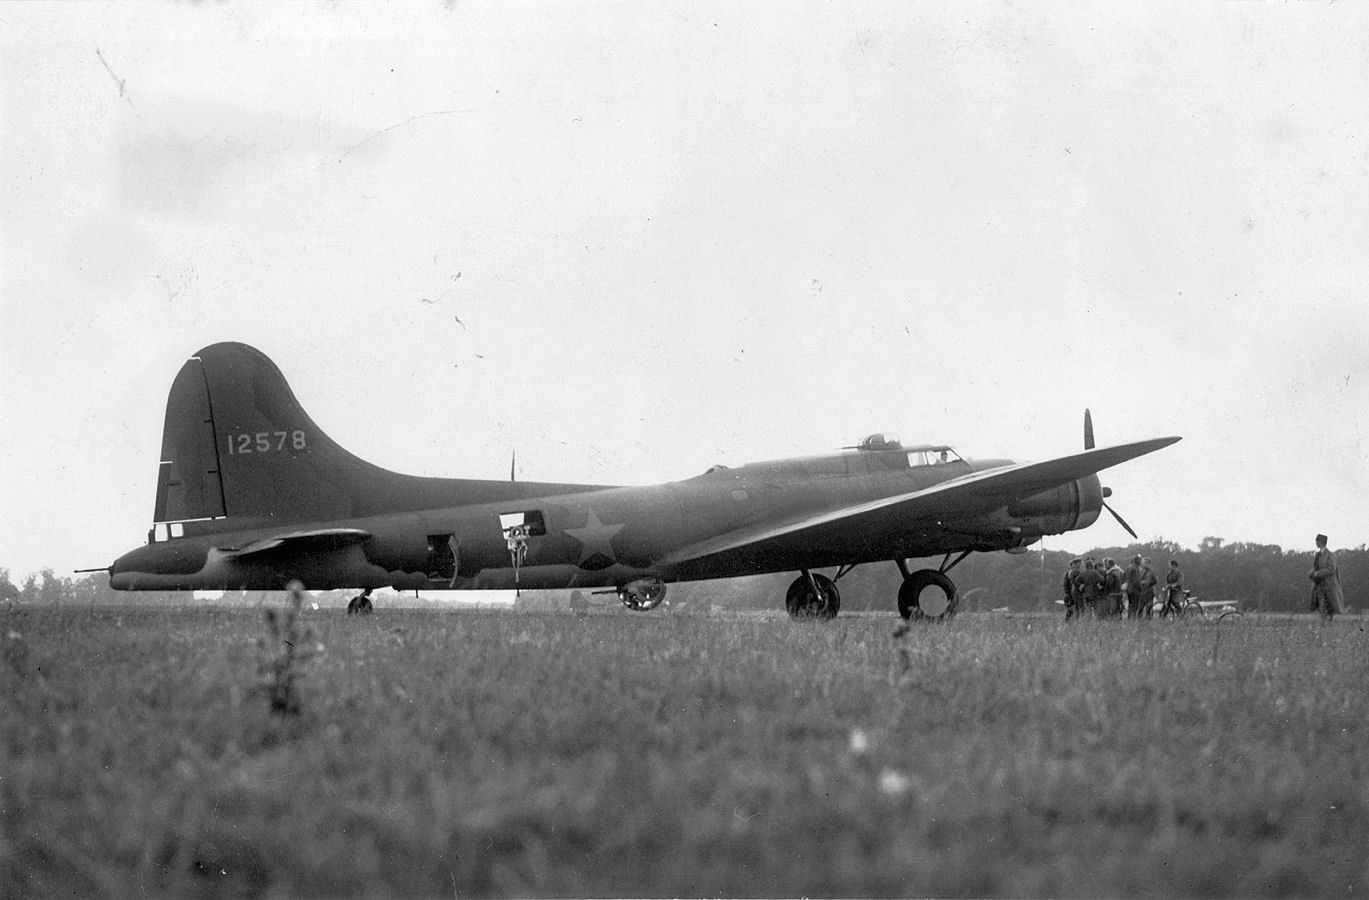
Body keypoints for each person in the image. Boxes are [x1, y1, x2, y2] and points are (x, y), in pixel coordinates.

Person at [1309, 534, 1345, 621]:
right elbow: (1316, 566)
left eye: (1317, 541)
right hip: (1319, 585)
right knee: (1320, 605)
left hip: (1329, 585)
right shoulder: (1317, 555)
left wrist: (1318, 573)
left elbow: (1331, 569)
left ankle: (1328, 623)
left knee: (1329, 606)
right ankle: (1323, 623)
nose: (1316, 543)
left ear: (1321, 542)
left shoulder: (1331, 555)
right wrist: (1312, 572)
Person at [1123, 554, 1144, 619]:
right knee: (1135, 606)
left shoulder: (1128, 567)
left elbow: (1124, 577)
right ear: (1138, 562)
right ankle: (1132, 619)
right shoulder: (1135, 569)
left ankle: (1130, 618)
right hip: (1135, 590)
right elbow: (1136, 581)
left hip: (1128, 590)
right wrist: (1141, 589)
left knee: (1130, 605)